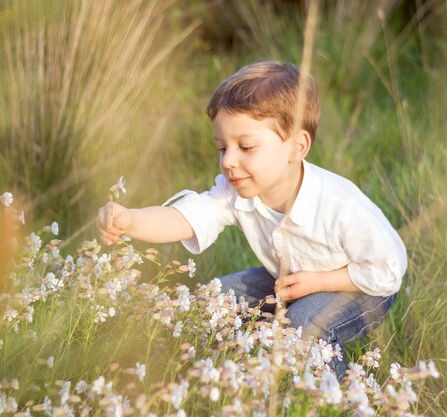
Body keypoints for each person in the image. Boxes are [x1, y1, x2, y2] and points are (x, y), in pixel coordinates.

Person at [96, 60, 407, 377]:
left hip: (360, 288)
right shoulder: (236, 191)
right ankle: (220, 373)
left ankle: (323, 400)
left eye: (246, 146)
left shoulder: (339, 205)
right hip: (290, 278)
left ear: (297, 147)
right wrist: (130, 221)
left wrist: (320, 282)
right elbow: (186, 218)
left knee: (301, 325)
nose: (229, 161)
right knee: (211, 300)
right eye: (222, 148)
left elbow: (387, 270)